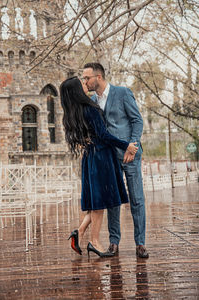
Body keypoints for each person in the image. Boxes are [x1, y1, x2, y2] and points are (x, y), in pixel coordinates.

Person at [59, 77, 138, 258]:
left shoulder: (72, 112)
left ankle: (78, 232)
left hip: (89, 158)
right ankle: (94, 242)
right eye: (82, 83)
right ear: (77, 90)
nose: (85, 84)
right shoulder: (90, 109)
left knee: (96, 201)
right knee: (100, 203)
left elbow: (84, 137)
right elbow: (103, 135)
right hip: (101, 157)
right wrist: (126, 145)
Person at [82, 63, 149, 258]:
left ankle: (141, 243)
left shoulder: (122, 93)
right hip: (108, 159)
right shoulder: (93, 101)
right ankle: (114, 242)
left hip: (130, 155)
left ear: (99, 77)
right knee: (113, 201)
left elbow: (137, 120)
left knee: (136, 199)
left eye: (87, 78)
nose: (85, 81)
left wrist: (133, 146)